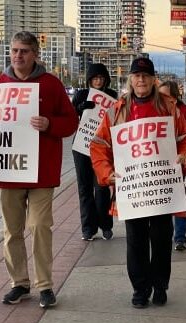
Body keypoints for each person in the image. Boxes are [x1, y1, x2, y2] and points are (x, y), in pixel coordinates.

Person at [0, 31, 78, 308]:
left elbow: (71, 123)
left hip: (42, 171)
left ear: (35, 54)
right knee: (12, 231)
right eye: (15, 50)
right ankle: (19, 283)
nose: (18, 56)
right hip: (9, 171)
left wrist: (50, 124)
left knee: (40, 226)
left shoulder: (51, 85)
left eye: (24, 51)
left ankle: (45, 285)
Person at [90, 57, 186, 308]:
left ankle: (159, 285)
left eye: (146, 76)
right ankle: (140, 288)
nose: (141, 80)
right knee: (135, 241)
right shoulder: (117, 110)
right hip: (133, 188)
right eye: (137, 76)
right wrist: (107, 172)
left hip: (161, 186)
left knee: (161, 238)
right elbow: (99, 145)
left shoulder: (169, 107)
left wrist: (184, 156)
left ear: (153, 80)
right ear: (130, 79)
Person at [71, 63, 117, 241]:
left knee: (103, 187)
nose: (98, 81)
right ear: (89, 80)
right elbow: (70, 115)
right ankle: (88, 228)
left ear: (106, 79)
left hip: (103, 147)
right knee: (84, 189)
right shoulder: (81, 94)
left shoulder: (112, 96)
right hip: (82, 146)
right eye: (95, 78)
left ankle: (105, 225)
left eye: (101, 78)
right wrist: (80, 108)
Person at [158, 80, 186, 252]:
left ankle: (180, 237)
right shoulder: (158, 110)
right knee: (165, 200)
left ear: (174, 95)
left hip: (179, 163)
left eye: (165, 95)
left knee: (179, 200)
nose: (162, 98)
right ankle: (165, 234)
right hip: (160, 165)